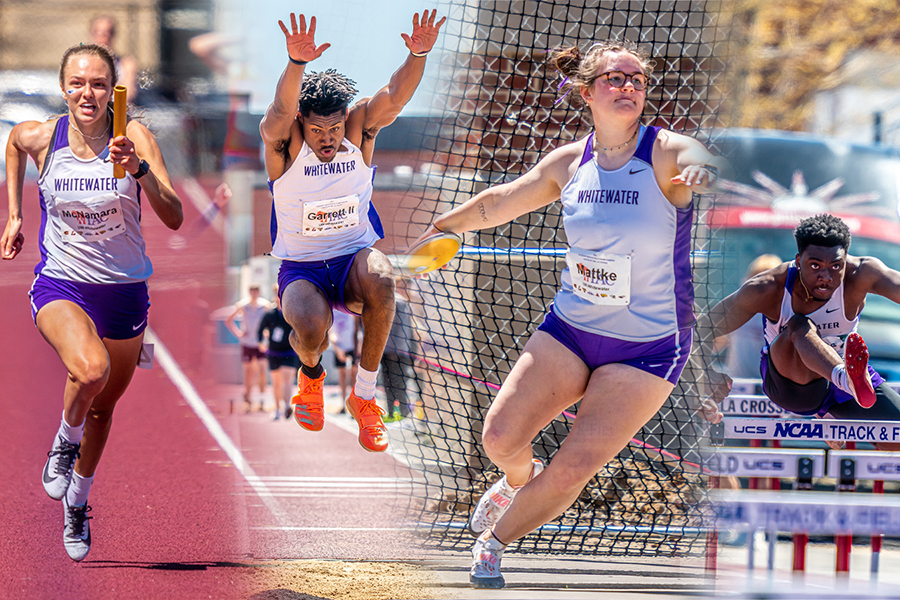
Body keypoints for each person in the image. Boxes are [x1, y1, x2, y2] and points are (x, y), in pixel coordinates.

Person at [417, 40, 723, 588]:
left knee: (576, 466)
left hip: (648, 347)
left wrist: (703, 173)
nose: (628, 86)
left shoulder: (666, 152)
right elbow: (502, 199)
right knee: (499, 440)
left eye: (636, 78)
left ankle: (494, 542)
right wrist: (443, 228)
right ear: (587, 92)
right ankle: (516, 481)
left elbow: (701, 159)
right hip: (572, 330)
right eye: (615, 78)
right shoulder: (569, 162)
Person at [1, 43, 183, 561]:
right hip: (61, 282)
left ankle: (77, 501)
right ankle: (63, 441)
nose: (88, 93)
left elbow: (174, 217)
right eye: (78, 83)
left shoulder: (136, 136)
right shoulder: (44, 136)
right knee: (89, 369)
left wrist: (140, 171)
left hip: (124, 291)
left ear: (113, 90)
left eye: (99, 84)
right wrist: (15, 214)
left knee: (103, 409)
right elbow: (14, 143)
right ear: (64, 88)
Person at [259, 11, 445, 453]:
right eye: (318, 129)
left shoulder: (359, 129)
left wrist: (417, 52)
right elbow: (281, 110)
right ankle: (310, 375)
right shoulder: (284, 144)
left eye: (335, 128)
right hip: (302, 268)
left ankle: (364, 398)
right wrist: (295, 63)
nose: (327, 138)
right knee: (310, 332)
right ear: (303, 123)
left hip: (352, 260)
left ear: (346, 120)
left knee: (383, 275)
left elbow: (395, 96)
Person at [697, 214, 900, 449]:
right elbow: (700, 330)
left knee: (895, 438)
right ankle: (845, 380)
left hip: (836, 383)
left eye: (836, 266)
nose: (825, 277)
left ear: (846, 260)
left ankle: (836, 400)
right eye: (815, 266)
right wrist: (702, 375)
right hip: (789, 385)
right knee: (799, 325)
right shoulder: (768, 287)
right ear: (798, 260)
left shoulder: (862, 274)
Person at [723, 254, 782, 379]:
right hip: (735, 385)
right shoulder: (735, 310)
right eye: (758, 279)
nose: (761, 287)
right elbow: (718, 344)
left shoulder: (780, 316)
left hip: (764, 388)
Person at [226, 284, 272, 411]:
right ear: (249, 292)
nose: (254, 294)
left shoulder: (265, 306)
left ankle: (262, 399)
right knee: (248, 372)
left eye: (256, 291)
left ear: (259, 292)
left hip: (260, 343)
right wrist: (238, 333)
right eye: (252, 291)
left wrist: (267, 334)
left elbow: (271, 321)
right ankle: (248, 399)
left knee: (262, 370)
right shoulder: (242, 305)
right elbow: (228, 320)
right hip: (247, 343)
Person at [258, 284, 300, 421]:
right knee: (276, 383)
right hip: (274, 352)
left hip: (290, 351)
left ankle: (287, 406)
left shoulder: (293, 312)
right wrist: (261, 343)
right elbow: (260, 330)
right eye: (277, 293)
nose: (279, 296)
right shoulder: (270, 314)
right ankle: (276, 409)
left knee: (287, 381)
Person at [381, 276, 420, 420]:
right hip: (395, 352)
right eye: (402, 285)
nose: (405, 289)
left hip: (393, 351)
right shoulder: (398, 301)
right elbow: (401, 330)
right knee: (396, 383)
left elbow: (406, 330)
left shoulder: (399, 301)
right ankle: (398, 413)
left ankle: (398, 413)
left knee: (394, 383)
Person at [89, 15, 139, 104]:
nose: (104, 38)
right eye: (99, 33)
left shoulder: (126, 64)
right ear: (92, 34)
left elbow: (128, 94)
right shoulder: (84, 64)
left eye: (108, 33)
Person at [329, 309, 360, 413]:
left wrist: (358, 347)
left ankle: (354, 404)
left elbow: (357, 329)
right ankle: (343, 404)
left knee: (353, 375)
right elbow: (330, 333)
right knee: (342, 376)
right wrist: (337, 349)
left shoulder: (352, 309)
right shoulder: (333, 311)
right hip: (340, 347)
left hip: (352, 347)